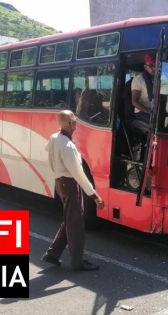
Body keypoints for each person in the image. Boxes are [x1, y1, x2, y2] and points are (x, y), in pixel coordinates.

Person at [41, 110, 105, 271]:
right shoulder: (67, 146)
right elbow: (78, 173)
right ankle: (78, 262)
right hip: (70, 184)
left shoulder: (54, 138)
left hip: (59, 182)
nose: (76, 123)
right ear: (70, 124)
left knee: (70, 219)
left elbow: (48, 154)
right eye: (74, 121)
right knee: (76, 223)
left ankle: (52, 254)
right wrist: (94, 195)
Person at [131, 54, 155, 125]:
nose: (154, 68)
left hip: (154, 110)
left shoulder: (158, 79)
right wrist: (149, 111)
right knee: (157, 124)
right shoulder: (138, 79)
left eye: (155, 65)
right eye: (151, 66)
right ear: (145, 67)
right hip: (142, 112)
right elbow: (134, 102)